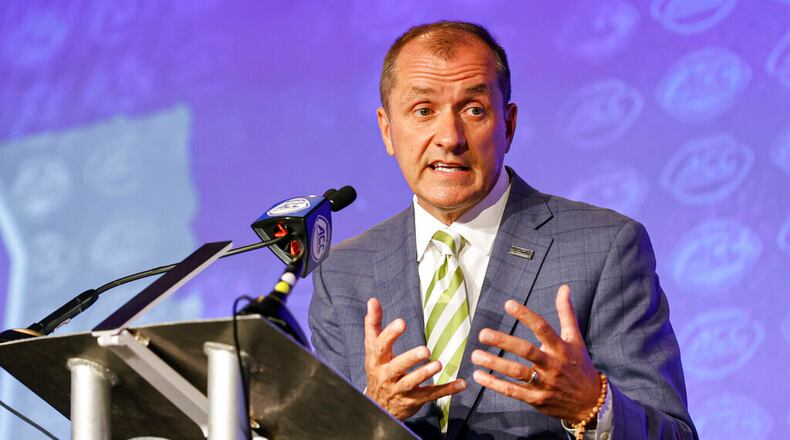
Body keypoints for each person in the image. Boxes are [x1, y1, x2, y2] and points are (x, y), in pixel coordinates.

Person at [309, 21, 697, 439]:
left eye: (473, 110)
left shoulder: (605, 247)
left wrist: (591, 404)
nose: (450, 137)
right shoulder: (343, 274)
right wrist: (371, 414)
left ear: (508, 125)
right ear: (387, 129)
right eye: (423, 111)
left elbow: (674, 434)